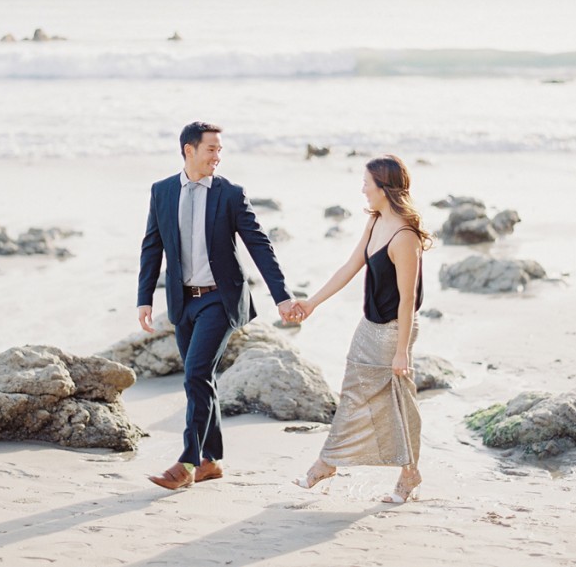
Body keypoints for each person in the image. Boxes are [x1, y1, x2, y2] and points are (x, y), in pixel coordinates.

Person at [137, 121, 296, 490]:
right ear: (188, 150)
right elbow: (152, 246)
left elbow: (259, 245)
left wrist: (282, 295)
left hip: (219, 300)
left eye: (220, 150)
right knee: (201, 379)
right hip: (183, 302)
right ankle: (212, 461)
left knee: (193, 375)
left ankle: (187, 462)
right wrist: (144, 297)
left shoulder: (230, 194)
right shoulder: (161, 191)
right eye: (211, 149)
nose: (217, 156)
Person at [286, 154, 432, 503]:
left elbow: (407, 299)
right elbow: (351, 265)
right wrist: (312, 302)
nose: (362, 189)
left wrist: (401, 351)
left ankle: (328, 464)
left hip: (394, 331)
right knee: (362, 395)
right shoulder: (376, 220)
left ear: (384, 187)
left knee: (397, 401)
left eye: (367, 183)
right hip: (369, 326)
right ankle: (402, 471)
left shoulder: (404, 236)